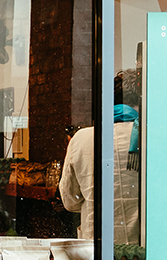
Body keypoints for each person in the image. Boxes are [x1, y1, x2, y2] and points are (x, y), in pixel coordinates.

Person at [59, 68, 142, 244]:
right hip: (142, 249)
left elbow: (69, 201)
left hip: (97, 248)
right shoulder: (151, 137)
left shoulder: (82, 138)